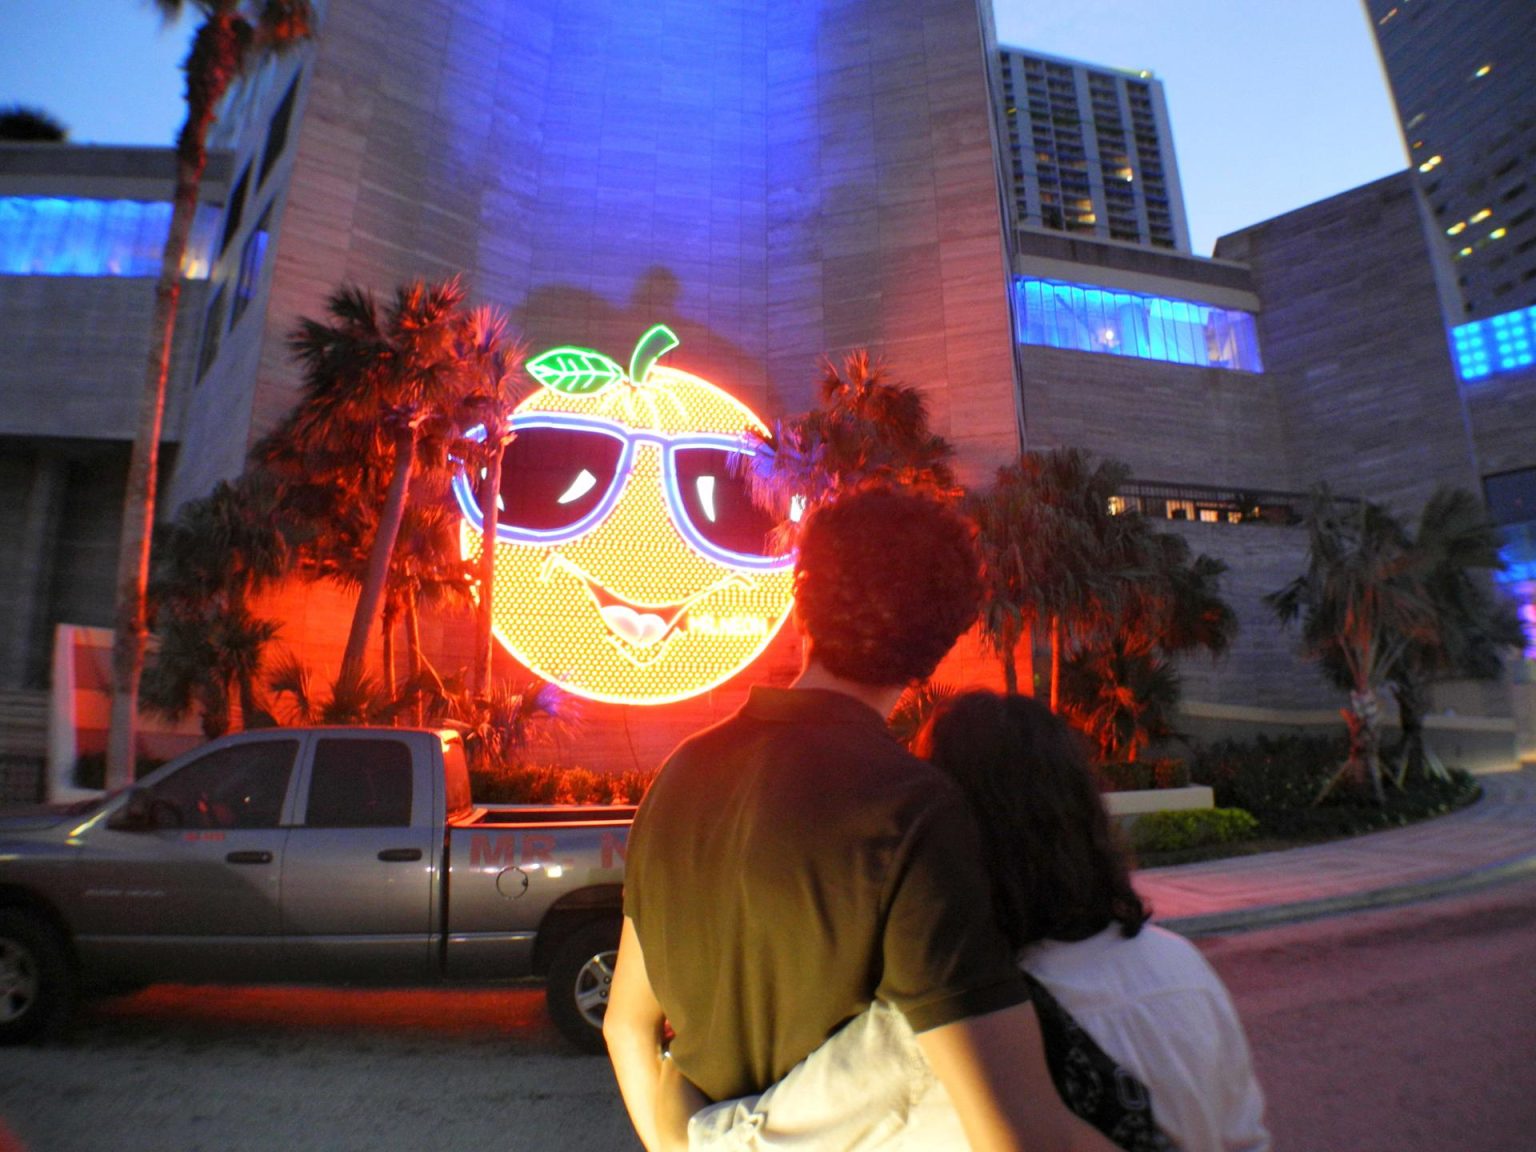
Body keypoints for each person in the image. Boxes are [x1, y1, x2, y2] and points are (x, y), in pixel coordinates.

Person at [605, 483, 1118, 1152]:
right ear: (935, 646)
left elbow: (626, 1026)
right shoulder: (913, 811)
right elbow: (1016, 1132)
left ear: (801, 606)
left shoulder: (678, 777)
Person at [672, 692, 1271, 1152]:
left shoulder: (941, 1029)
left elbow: (726, 1140)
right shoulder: (1182, 968)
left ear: (944, 834)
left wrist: (660, 1055)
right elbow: (1244, 1139)